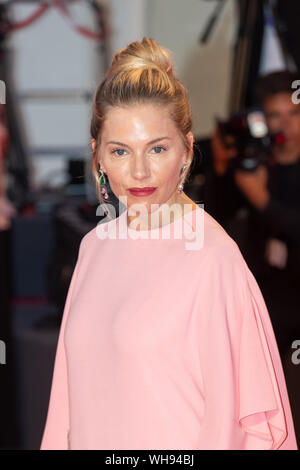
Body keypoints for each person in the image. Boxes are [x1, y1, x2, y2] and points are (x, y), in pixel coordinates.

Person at [39, 38, 297, 450]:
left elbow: (241, 429)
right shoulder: (94, 247)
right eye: (120, 151)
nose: (139, 171)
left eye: (157, 148)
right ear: (98, 158)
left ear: (187, 151)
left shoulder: (213, 259)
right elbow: (67, 407)